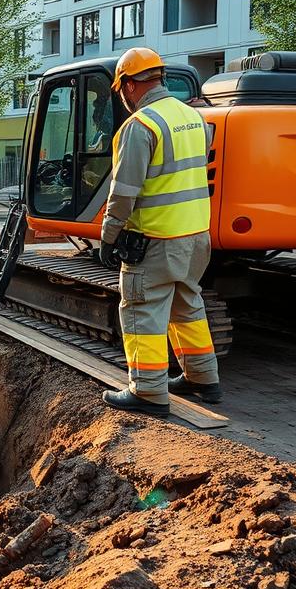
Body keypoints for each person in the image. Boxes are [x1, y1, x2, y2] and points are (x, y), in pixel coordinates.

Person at [99, 48, 220, 417]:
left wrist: (109, 236)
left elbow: (124, 192)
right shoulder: (193, 118)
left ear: (131, 85)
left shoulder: (141, 127)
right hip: (196, 236)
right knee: (187, 305)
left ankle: (148, 391)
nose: (123, 96)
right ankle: (203, 378)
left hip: (156, 239)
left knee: (142, 309)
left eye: (122, 89)